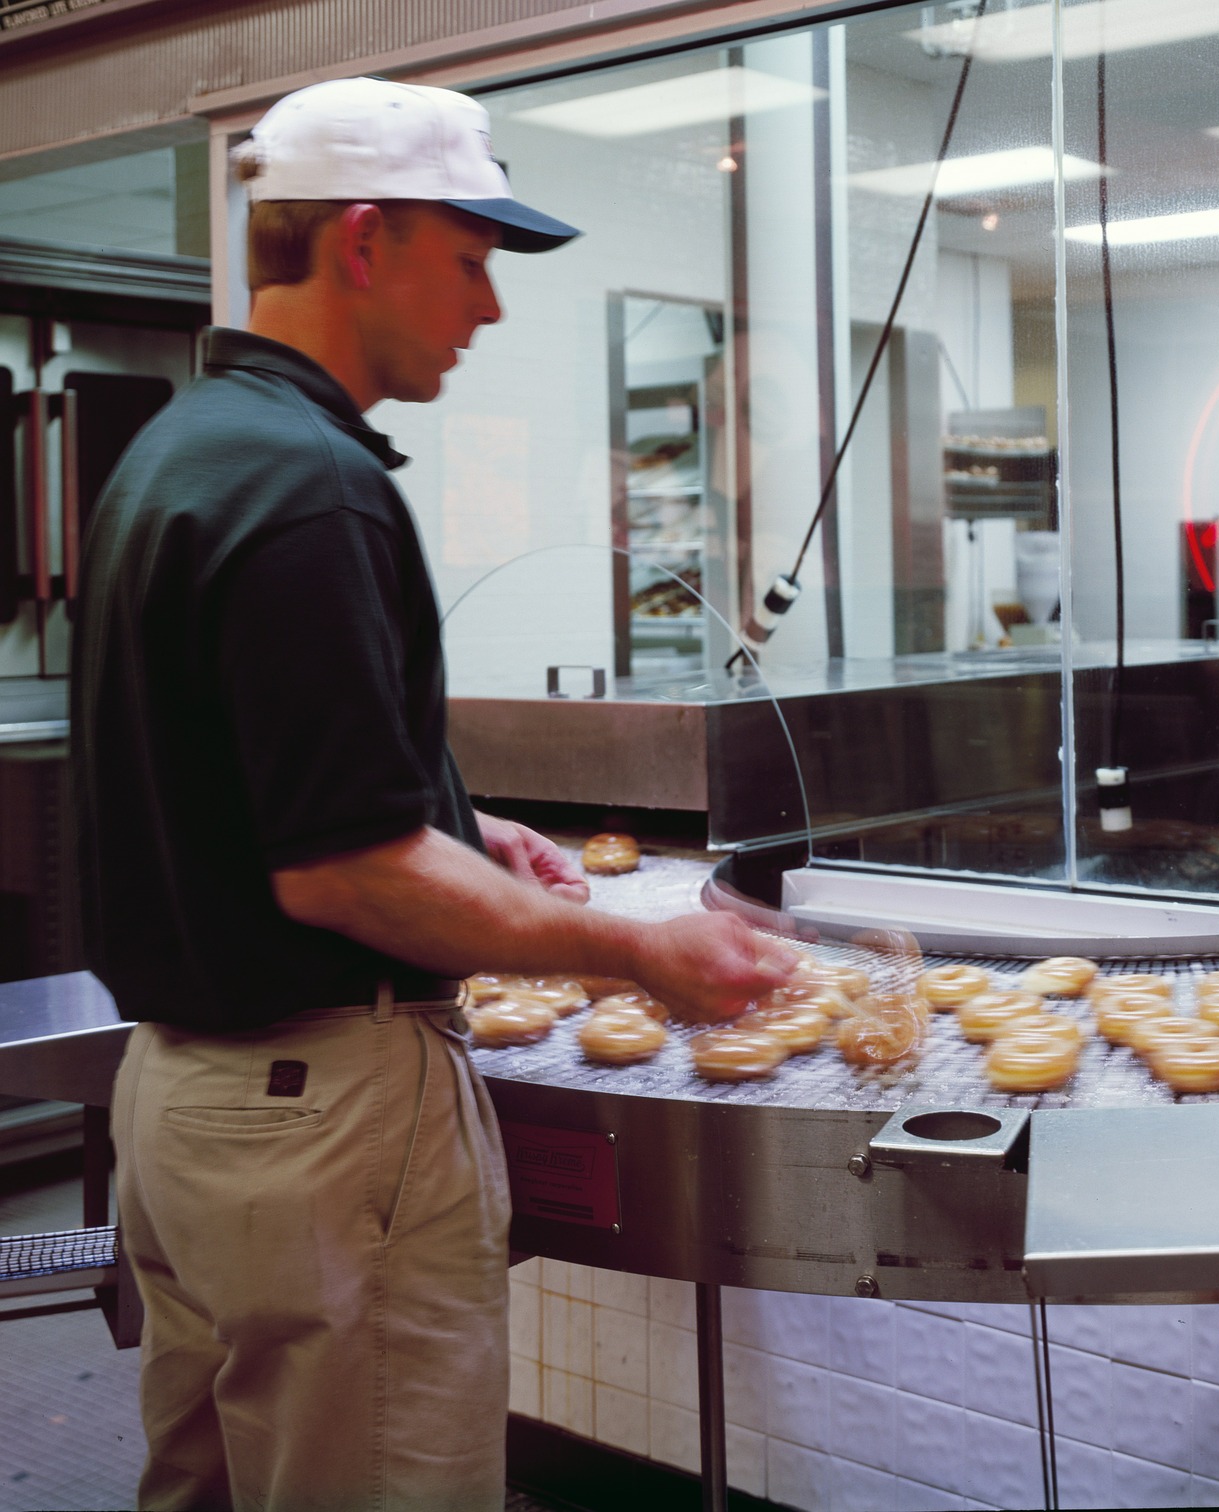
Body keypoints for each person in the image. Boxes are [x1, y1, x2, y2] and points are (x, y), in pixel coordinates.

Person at [70, 77, 795, 1512]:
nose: (490, 307)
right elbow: (344, 874)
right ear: (360, 241)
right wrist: (639, 949)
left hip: (184, 1107)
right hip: (322, 1121)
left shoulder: (181, 454)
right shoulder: (310, 484)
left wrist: (457, 828)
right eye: (469, 260)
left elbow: (263, 787)